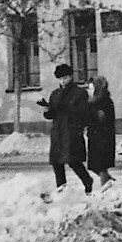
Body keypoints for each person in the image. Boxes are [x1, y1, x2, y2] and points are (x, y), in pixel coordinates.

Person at [40, 64, 93, 195]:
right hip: (58, 132)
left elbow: (83, 112)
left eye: (65, 78)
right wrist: (47, 110)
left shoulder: (80, 92)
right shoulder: (55, 94)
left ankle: (87, 181)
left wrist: (66, 110)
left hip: (71, 131)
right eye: (60, 79)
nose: (62, 81)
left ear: (71, 77)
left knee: (73, 161)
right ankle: (61, 188)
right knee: (56, 162)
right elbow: (51, 114)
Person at [85, 76, 116, 188]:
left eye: (91, 88)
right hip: (95, 136)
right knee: (93, 165)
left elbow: (101, 118)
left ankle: (105, 187)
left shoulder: (104, 101)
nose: (89, 90)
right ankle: (109, 180)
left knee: (101, 165)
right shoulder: (94, 101)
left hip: (102, 138)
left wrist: (91, 114)